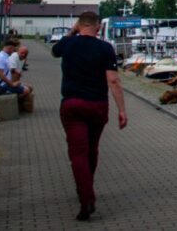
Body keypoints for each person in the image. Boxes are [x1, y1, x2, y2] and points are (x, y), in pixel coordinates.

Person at [52, 11, 127, 222]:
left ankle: (86, 197)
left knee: (77, 153)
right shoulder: (105, 48)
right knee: (91, 150)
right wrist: (122, 110)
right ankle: (87, 187)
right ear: (98, 27)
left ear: (79, 25)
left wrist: (72, 31)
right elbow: (113, 81)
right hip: (97, 105)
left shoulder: (68, 44)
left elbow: (54, 51)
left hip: (72, 104)